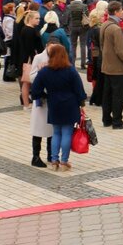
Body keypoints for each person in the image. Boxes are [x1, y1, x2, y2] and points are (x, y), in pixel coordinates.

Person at [28, 43, 87, 171]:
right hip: (70, 105)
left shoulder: (45, 72)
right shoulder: (71, 70)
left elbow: (35, 90)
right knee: (67, 133)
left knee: (56, 133)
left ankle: (54, 161)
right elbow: (79, 89)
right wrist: (82, 104)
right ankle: (64, 162)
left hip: (53, 104)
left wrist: (45, 95)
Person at [99, 1, 123, 130]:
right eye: (122, 10)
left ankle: (106, 119)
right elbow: (120, 50)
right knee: (118, 95)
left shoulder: (105, 25)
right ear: (117, 12)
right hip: (117, 67)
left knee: (107, 94)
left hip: (107, 65)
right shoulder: (116, 28)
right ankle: (117, 120)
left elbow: (102, 45)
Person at [24, 43, 55, 168]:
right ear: (47, 45)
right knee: (38, 128)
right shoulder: (38, 58)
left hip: (52, 98)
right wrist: (42, 72)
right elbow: (31, 77)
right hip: (41, 100)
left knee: (51, 128)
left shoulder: (57, 57)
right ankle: (35, 156)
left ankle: (50, 154)